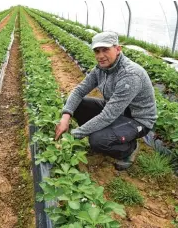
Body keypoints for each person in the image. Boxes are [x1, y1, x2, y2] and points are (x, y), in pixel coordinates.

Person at [54, 31, 157, 170]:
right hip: (115, 110)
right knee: (77, 104)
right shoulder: (101, 69)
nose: (100, 56)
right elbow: (79, 91)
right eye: (97, 51)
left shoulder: (130, 75)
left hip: (136, 119)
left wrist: (75, 135)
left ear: (118, 49)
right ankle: (105, 131)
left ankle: (129, 148)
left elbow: (108, 115)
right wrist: (65, 118)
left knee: (97, 140)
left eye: (105, 50)